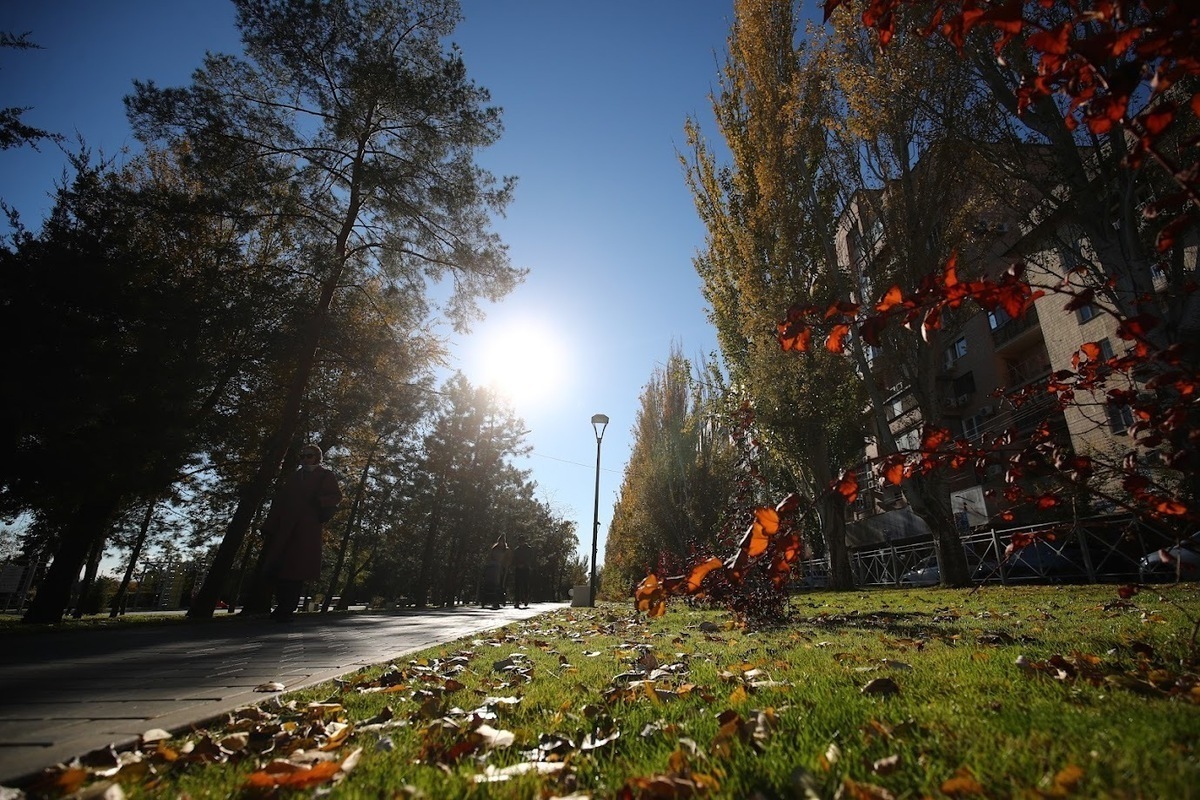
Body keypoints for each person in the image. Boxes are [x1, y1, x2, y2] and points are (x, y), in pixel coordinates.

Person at [260, 444, 342, 622]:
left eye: (309, 456)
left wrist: (319, 502)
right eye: (302, 456)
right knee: (281, 567)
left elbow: (335, 496)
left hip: (307, 527)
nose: (305, 459)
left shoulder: (325, 475)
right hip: (286, 527)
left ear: (317, 457)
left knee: (297, 569)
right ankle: (282, 606)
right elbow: (280, 502)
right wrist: (269, 525)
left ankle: (287, 608)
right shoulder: (295, 477)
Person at [481, 537, 509, 610]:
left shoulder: (506, 550)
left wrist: (505, 566)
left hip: (500, 568)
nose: (500, 543)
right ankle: (486, 597)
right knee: (490, 579)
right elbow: (489, 557)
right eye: (500, 542)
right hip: (492, 566)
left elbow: (507, 560)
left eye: (502, 542)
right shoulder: (494, 549)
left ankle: (497, 599)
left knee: (499, 583)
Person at [511, 535, 534, 608]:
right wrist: (517, 565)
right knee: (517, 585)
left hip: (525, 568)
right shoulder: (516, 550)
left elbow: (531, 558)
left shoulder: (528, 549)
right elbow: (514, 559)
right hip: (518, 568)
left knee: (525, 584)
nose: (521, 543)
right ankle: (517, 601)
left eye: (522, 541)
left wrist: (526, 564)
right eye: (520, 541)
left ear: (524, 541)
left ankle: (526, 598)